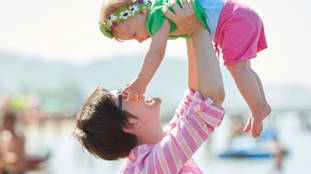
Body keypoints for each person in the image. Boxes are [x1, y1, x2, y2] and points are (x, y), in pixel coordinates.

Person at [75, 2, 233, 174]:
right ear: (129, 124)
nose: (131, 89)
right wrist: (198, 28)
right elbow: (211, 100)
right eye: (124, 96)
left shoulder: (154, 155)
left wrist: (187, 24)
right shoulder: (148, 169)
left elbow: (196, 97)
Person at [99, 0, 270, 138]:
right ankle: (259, 105)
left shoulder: (156, 16)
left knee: (239, 70)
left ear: (142, 11)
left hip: (232, 20)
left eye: (135, 34)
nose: (140, 40)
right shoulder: (160, 7)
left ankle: (257, 107)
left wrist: (141, 81)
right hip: (239, 13)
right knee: (244, 69)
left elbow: (157, 52)